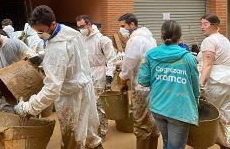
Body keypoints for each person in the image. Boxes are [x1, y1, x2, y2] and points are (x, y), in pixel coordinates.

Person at [14, 5, 103, 149]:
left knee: (72, 138)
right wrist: (43, 56)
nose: (39, 34)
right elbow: (69, 60)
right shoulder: (70, 32)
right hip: (85, 86)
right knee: (90, 134)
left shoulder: (58, 48)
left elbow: (52, 89)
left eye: (42, 31)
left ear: (53, 24)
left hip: (70, 95)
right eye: (37, 31)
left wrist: (28, 108)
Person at [138, 20, 200, 149]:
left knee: (167, 142)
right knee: (175, 146)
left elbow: (143, 80)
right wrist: (196, 101)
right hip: (180, 110)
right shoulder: (188, 58)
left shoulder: (150, 54)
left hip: (158, 107)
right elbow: (195, 86)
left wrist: (161, 77)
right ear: (180, 36)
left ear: (161, 34)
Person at [118, 13, 159, 148]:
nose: (121, 30)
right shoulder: (150, 38)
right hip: (154, 85)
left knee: (141, 122)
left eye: (123, 26)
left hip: (141, 86)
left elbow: (128, 64)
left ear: (132, 25)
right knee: (152, 119)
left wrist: (123, 81)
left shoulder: (135, 40)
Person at [76, 15, 117, 141]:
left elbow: (112, 59)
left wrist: (109, 76)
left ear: (88, 24)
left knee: (99, 105)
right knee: (85, 103)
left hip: (99, 74)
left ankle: (102, 131)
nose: (81, 29)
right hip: (84, 75)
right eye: (78, 27)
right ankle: (90, 130)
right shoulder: (80, 38)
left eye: (82, 26)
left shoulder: (102, 40)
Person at [0, 26, 35, 113]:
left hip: (22, 89)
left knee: (27, 116)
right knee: (7, 119)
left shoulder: (15, 44)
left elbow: (31, 56)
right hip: (3, 94)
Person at [198, 13, 230, 148]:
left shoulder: (209, 41)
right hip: (227, 81)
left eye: (205, 24)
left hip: (215, 82)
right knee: (225, 113)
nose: (201, 27)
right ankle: (226, 142)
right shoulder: (225, 40)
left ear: (214, 26)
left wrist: (200, 85)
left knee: (207, 115)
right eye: (201, 24)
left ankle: (202, 142)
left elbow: (208, 65)